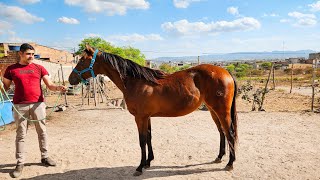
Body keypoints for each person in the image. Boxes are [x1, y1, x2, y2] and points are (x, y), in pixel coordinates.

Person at [1, 43, 67, 178]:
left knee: (42, 132)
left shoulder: (39, 68)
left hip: (38, 105)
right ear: (20, 54)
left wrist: (58, 87)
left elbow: (50, 85)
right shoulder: (11, 69)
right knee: (21, 135)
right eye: (28, 54)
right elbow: (5, 89)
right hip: (20, 106)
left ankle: (45, 157)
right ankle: (20, 163)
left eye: (32, 54)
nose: (31, 56)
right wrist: (1, 85)